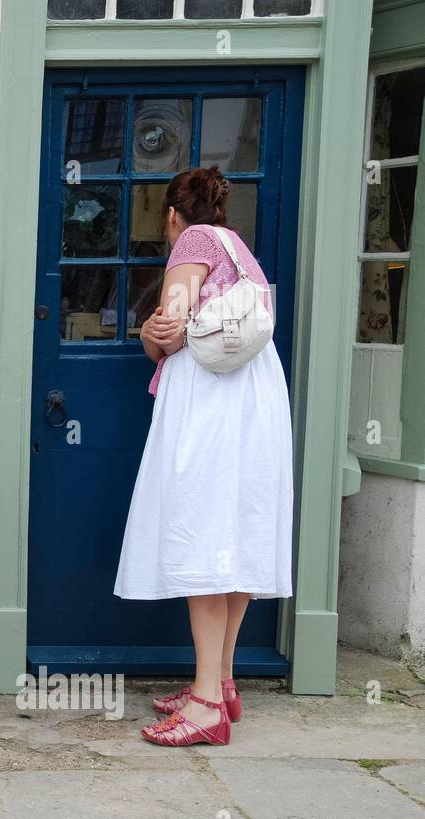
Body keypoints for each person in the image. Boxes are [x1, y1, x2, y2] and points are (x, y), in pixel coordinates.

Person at [115, 166, 293, 747]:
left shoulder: (191, 242)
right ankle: (218, 680)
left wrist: (148, 331)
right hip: (255, 406)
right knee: (233, 538)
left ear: (172, 214)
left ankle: (207, 708)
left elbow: (168, 330)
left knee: (202, 537)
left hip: (210, 410)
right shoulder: (240, 250)